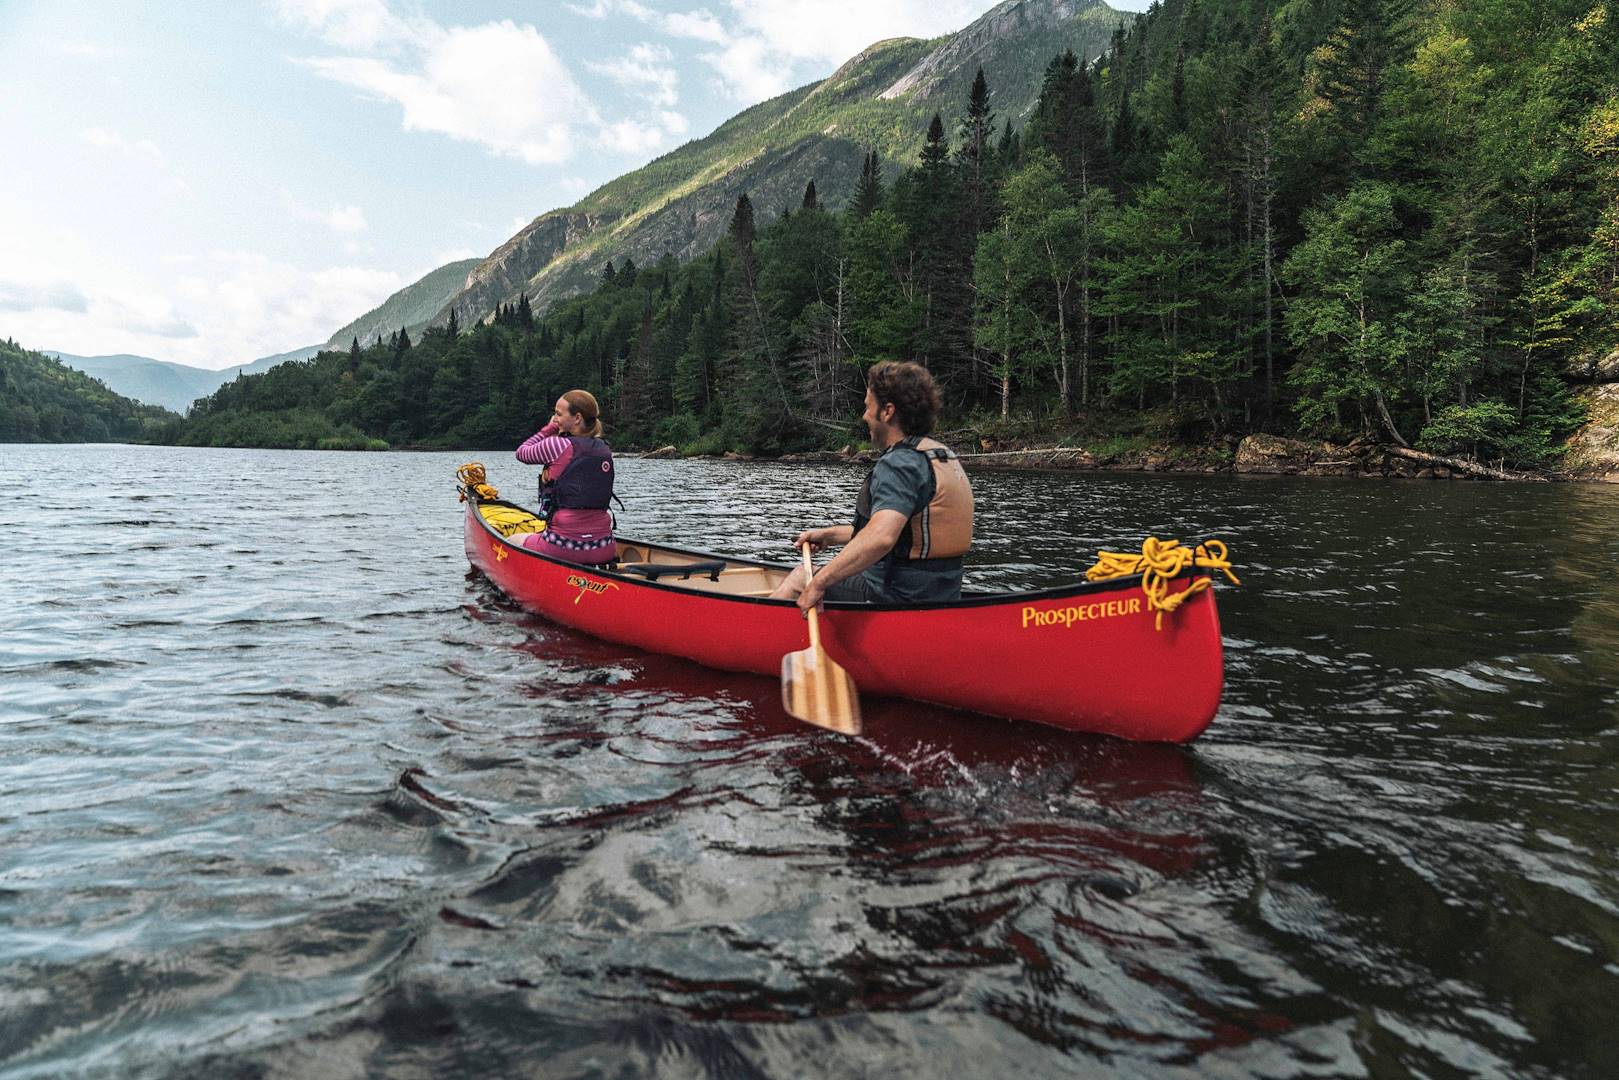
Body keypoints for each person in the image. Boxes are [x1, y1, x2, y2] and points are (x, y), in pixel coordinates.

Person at [770, 360, 974, 611]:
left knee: (803, 575)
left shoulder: (899, 464)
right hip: (941, 596)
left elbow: (880, 538)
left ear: (887, 411)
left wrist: (819, 582)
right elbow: (899, 532)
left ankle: (754, 633)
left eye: (868, 407)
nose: (864, 415)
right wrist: (830, 535)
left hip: (896, 598)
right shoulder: (937, 455)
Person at [513, 390, 616, 564]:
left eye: (559, 414)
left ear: (577, 418)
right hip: (604, 548)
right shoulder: (604, 449)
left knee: (513, 540)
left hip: (563, 548)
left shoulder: (556, 444)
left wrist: (549, 429)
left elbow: (522, 453)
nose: (555, 418)